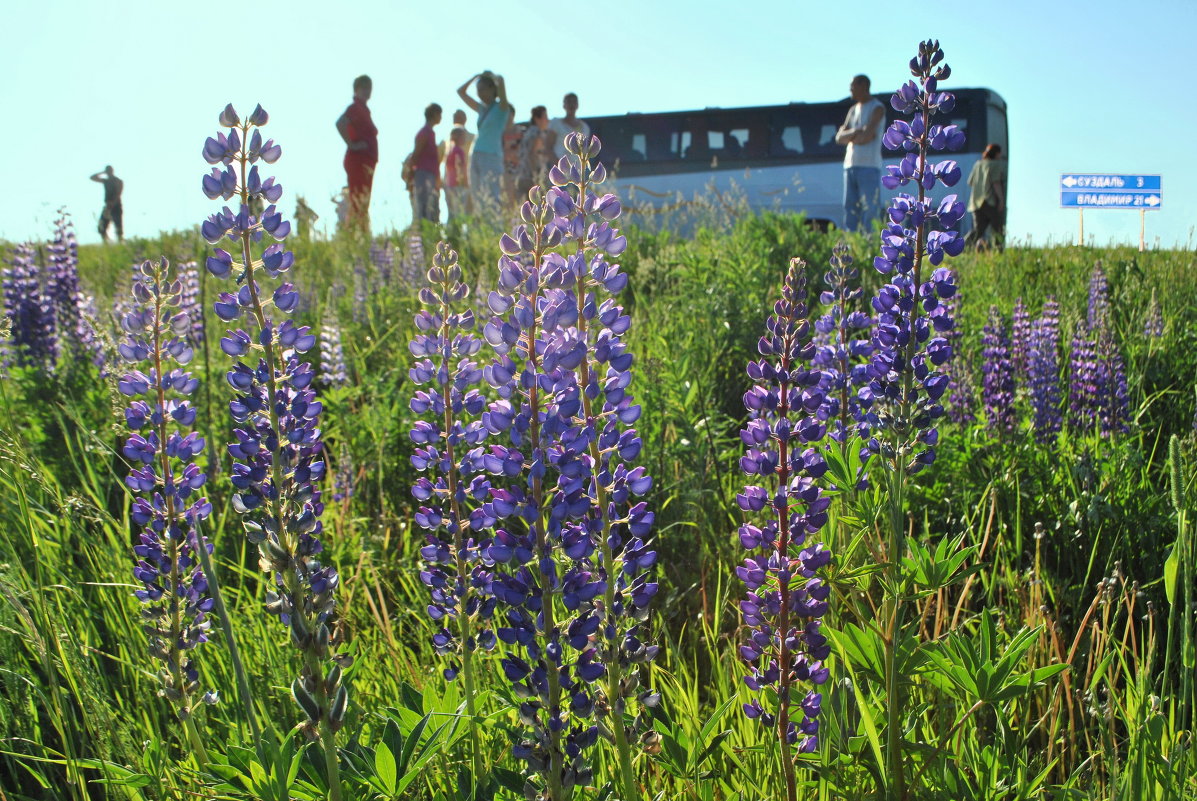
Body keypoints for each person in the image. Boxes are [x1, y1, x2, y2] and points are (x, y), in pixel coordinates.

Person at [835, 74, 885, 233]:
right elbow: (839, 138)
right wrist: (857, 131)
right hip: (850, 165)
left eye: (853, 86)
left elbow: (867, 137)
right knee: (850, 207)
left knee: (870, 208)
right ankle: (852, 244)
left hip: (869, 166)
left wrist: (851, 136)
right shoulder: (852, 109)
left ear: (864, 86)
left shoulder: (877, 108)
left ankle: (869, 244)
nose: (850, 90)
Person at [457, 71, 511, 213]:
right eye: (477, 90)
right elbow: (460, 92)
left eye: (482, 89)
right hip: (475, 154)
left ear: (493, 89)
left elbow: (501, 80)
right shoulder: (482, 109)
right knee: (477, 196)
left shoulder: (502, 108)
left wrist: (491, 77)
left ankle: (494, 227)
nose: (479, 93)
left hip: (492, 156)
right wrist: (475, 77)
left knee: (492, 196)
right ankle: (482, 227)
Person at [336, 75, 378, 231]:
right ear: (356, 89)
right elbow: (341, 123)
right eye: (364, 87)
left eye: (369, 88)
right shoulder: (355, 108)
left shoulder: (364, 109)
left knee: (362, 201)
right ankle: (354, 233)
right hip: (358, 161)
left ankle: (359, 232)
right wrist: (351, 144)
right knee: (358, 200)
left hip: (366, 161)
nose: (368, 91)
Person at [965, 144, 1007, 250]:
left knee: (978, 230)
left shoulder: (978, 164)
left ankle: (964, 247)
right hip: (989, 201)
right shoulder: (995, 164)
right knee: (997, 229)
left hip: (975, 202)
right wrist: (1001, 200)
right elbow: (996, 183)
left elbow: (970, 182)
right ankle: (998, 250)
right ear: (997, 153)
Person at [411, 103, 442, 223]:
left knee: (431, 207)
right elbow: (416, 154)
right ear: (434, 114)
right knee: (424, 207)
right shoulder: (425, 133)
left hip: (430, 174)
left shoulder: (430, 133)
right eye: (440, 114)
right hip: (423, 174)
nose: (441, 117)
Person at [515, 106, 552, 199]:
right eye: (545, 117)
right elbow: (533, 154)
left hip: (522, 175)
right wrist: (536, 177)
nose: (548, 120)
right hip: (531, 177)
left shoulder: (528, 133)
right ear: (537, 119)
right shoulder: (538, 133)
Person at [548, 92, 590, 161]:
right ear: (564, 105)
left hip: (578, 168)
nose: (572, 104)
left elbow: (585, 151)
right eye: (569, 102)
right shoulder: (556, 123)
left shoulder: (585, 128)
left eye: (574, 102)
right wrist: (557, 164)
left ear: (577, 105)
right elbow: (548, 147)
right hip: (560, 167)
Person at [90, 166, 123, 242]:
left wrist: (112, 204)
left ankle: (120, 244)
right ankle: (106, 244)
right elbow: (92, 177)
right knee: (101, 228)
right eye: (107, 171)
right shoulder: (106, 181)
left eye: (109, 171)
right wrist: (102, 172)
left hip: (116, 207)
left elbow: (118, 193)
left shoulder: (118, 181)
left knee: (119, 229)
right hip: (108, 206)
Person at [443, 127, 469, 221]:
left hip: (449, 184)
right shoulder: (459, 151)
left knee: (452, 213)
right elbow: (461, 168)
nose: (465, 139)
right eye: (463, 137)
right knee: (459, 213)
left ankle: (451, 233)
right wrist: (465, 183)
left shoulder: (450, 151)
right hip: (458, 185)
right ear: (458, 137)